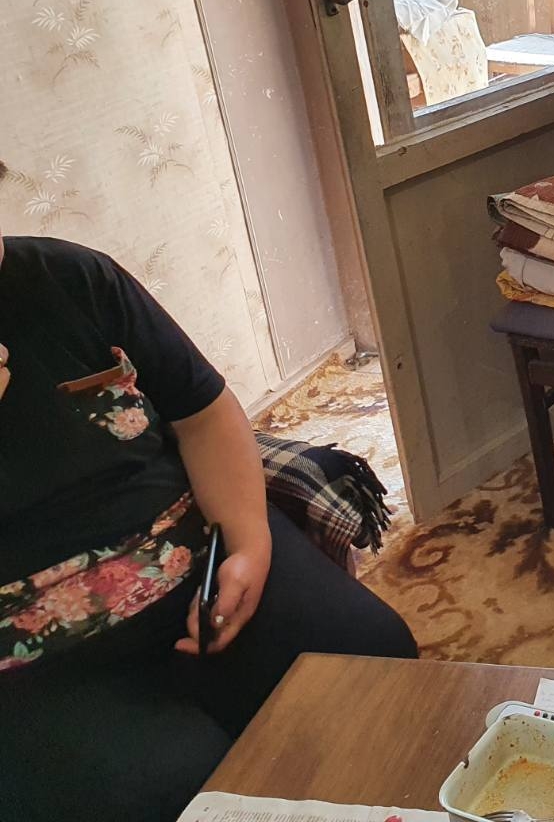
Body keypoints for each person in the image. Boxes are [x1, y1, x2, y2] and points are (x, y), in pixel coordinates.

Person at [0, 170, 418, 822]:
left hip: (195, 558)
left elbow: (203, 413)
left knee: (372, 655)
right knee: (175, 789)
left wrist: (248, 542)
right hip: (41, 657)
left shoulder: (73, 277)